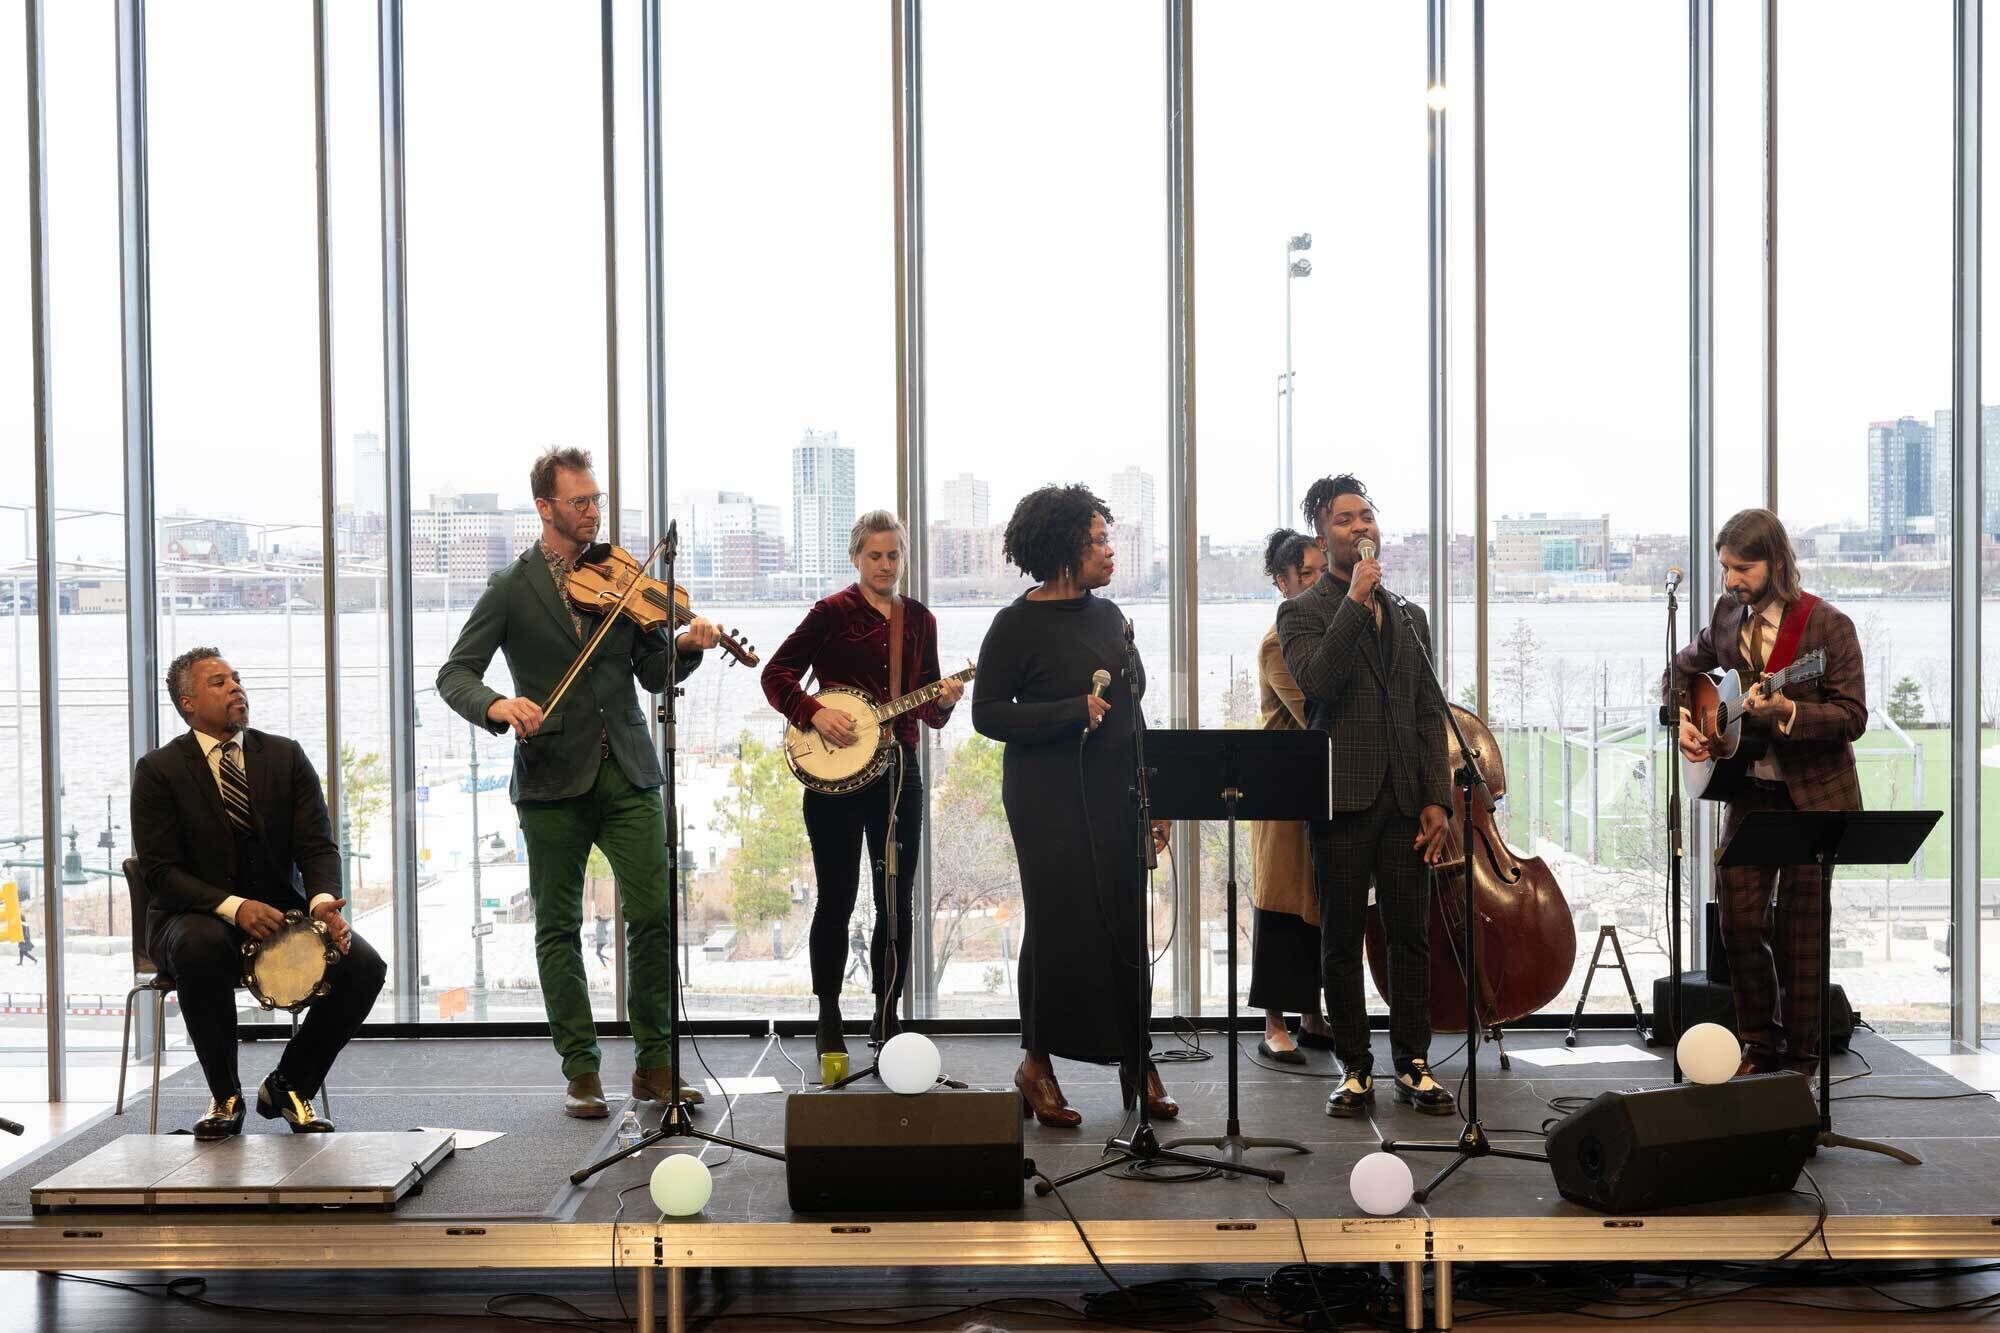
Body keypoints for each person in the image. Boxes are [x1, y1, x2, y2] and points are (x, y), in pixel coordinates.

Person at [437, 446, 723, 1119]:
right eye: (581, 501)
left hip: (626, 768)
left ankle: (656, 1065)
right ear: (546, 506)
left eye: (596, 500)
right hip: (549, 779)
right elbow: (455, 673)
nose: (594, 511)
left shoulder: (621, 578)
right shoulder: (511, 587)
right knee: (559, 926)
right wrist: (498, 706)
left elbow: (653, 673)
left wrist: (685, 647)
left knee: (653, 914)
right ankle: (582, 1068)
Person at [973, 484, 1175, 1128]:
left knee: (1124, 922)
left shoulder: (1111, 617)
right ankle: (1036, 1064)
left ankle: (1135, 1060)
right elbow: (986, 715)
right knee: (1058, 923)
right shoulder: (1014, 626)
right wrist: (1069, 713)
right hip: (1045, 800)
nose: (1110, 551)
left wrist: (1155, 799)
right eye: (1099, 541)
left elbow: (1136, 711)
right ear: (1065, 550)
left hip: (1116, 791)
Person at [131, 648, 385, 1139]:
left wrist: (321, 906)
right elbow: (161, 872)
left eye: (237, 679)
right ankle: (225, 1096)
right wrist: (235, 907)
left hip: (281, 915)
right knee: (199, 946)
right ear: (187, 702)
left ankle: (290, 1086)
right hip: (191, 915)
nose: (235, 688)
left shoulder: (285, 755)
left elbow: (317, 845)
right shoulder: (159, 770)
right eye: (219, 682)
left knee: (364, 967)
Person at [1276, 474, 1457, 1119]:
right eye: (1345, 519)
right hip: (1343, 799)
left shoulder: (1410, 616)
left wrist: (1438, 797)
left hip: (1407, 798)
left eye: (1366, 516)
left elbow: (1429, 710)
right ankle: (1355, 1067)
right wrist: (1354, 601)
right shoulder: (1301, 612)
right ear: (1323, 535)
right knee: (1342, 937)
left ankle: (1412, 1061)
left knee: (1410, 934)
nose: (1360, 527)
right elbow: (1318, 683)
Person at [1670, 507, 1865, 1078]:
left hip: (1814, 799)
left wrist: (1790, 710)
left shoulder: (1828, 627)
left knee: (1800, 933)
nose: (1731, 580)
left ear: (1776, 563)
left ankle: (1802, 1063)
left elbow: (1852, 716)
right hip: (1748, 793)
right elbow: (1681, 669)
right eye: (1726, 568)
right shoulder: (1728, 616)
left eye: (1742, 568)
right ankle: (1760, 1045)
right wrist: (1688, 718)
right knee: (1736, 922)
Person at [761, 511, 964, 1055]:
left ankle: (886, 1013)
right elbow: (775, 674)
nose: (885, 565)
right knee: (837, 898)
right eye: (875, 555)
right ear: (856, 557)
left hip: (901, 772)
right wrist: (812, 713)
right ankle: (828, 1011)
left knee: (897, 899)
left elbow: (929, 708)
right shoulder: (829, 614)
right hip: (836, 779)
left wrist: (942, 701)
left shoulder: (919, 620)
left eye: (894, 555)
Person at [1249, 530, 1334, 1064]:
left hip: (1319, 779)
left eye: (1317, 572)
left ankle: (1312, 1012)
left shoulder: (1326, 631)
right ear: (1280, 582)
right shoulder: (1278, 639)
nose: (1311, 583)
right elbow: (1312, 710)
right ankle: (1273, 1021)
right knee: (1280, 903)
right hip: (1279, 781)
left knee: (1318, 901)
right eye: (1301, 574)